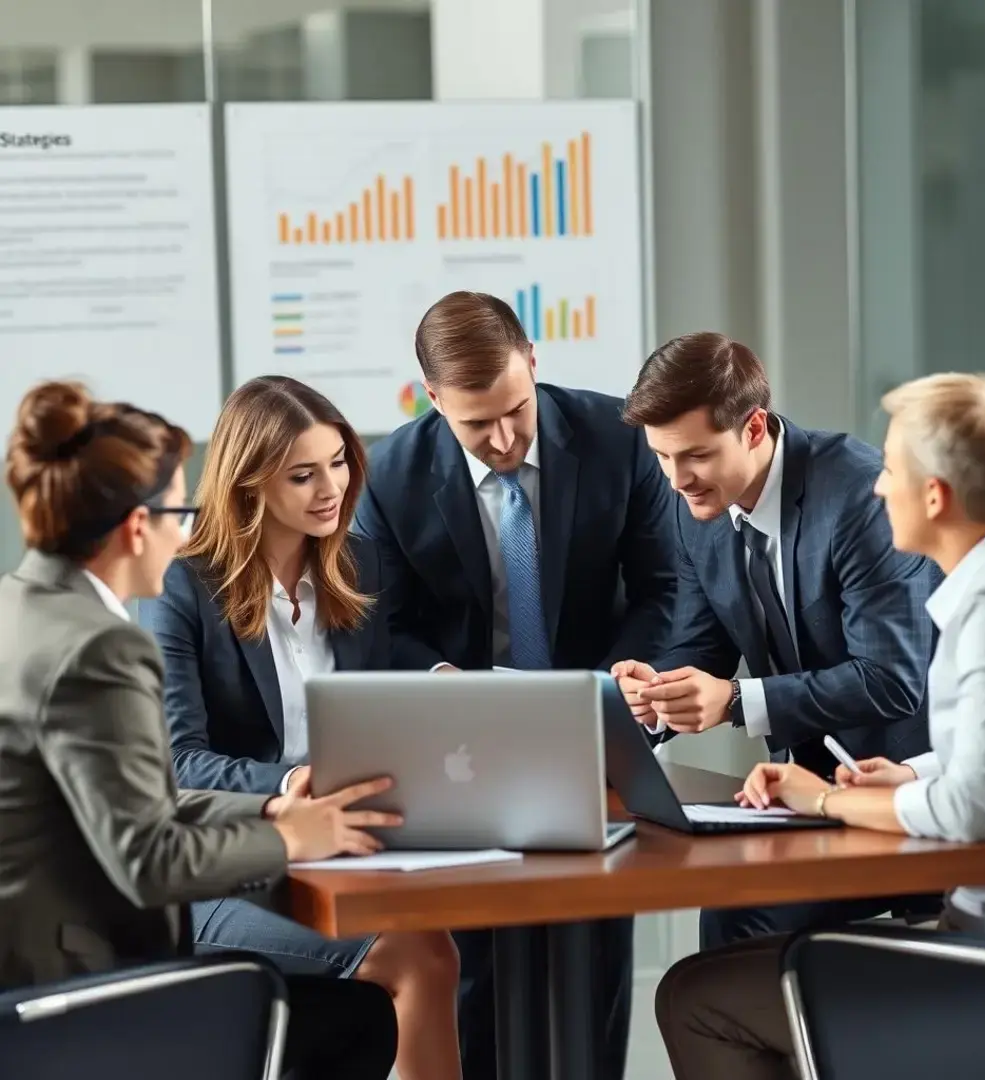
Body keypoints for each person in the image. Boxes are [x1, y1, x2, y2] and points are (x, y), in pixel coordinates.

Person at [654, 372, 985, 1080]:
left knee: (696, 998)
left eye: (890, 471)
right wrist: (916, 771)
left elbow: (973, 812)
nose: (877, 487)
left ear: (935, 496)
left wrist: (821, 798)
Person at [0, 380, 401, 1079]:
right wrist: (284, 837)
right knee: (362, 1007)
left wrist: (274, 807)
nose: (189, 532)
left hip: (30, 959)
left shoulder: (19, 605)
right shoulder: (101, 645)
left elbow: (130, 798)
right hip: (67, 978)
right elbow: (149, 857)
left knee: (357, 1017)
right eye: (178, 513)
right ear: (135, 527)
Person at [355, 290, 679, 1080]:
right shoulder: (389, 477)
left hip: (595, 735)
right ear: (432, 400)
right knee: (479, 978)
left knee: (593, 972)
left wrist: (621, 681)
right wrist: (443, 683)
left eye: (515, 410)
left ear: (533, 362)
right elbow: (379, 627)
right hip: (464, 749)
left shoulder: (617, 440)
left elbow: (666, 588)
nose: (502, 439)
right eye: (475, 424)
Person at [138, 376, 461, 1080]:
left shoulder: (358, 565)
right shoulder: (184, 584)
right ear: (251, 482)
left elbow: (375, 713)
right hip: (226, 866)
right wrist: (288, 785)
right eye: (304, 474)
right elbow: (178, 760)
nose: (332, 489)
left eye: (340, 463)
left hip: (349, 848)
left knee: (443, 937)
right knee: (420, 952)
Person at [614, 332, 940, 948]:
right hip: (809, 795)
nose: (678, 478)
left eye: (696, 456)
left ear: (755, 428)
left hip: (910, 789)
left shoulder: (859, 498)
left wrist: (735, 701)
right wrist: (655, 695)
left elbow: (893, 679)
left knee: (737, 924)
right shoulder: (696, 508)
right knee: (730, 918)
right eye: (662, 456)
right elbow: (698, 646)